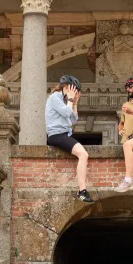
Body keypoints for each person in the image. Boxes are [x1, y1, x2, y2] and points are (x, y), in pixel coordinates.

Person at [45, 75, 93, 203]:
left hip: (64, 134)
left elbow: (73, 119)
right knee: (83, 154)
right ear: (66, 87)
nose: (75, 94)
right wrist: (71, 99)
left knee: (83, 154)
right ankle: (82, 190)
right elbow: (66, 113)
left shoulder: (64, 100)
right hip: (56, 135)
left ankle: (82, 190)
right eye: (74, 90)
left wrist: (74, 103)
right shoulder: (55, 97)